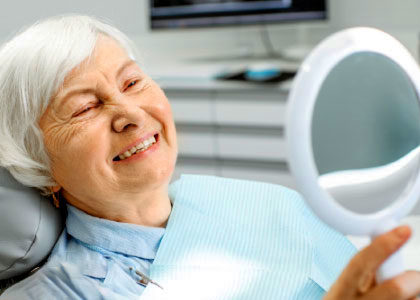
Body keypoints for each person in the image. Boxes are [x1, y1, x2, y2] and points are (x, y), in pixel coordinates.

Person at [0, 14, 419, 300]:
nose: (129, 114)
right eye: (85, 108)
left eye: (132, 82)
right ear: (39, 166)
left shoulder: (266, 201)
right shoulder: (59, 292)